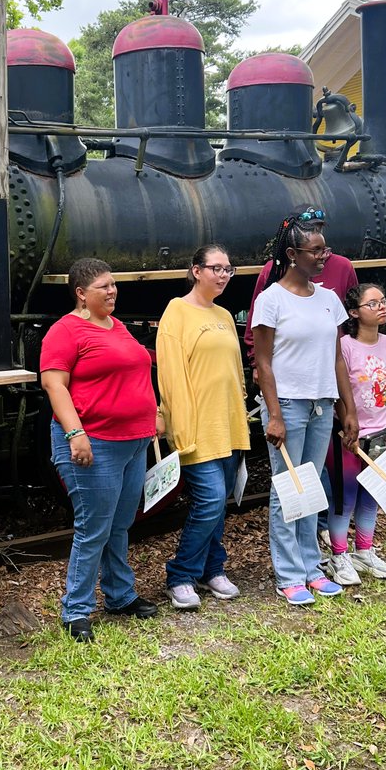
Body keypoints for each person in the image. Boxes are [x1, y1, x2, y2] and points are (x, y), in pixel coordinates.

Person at [40, 258, 162, 642]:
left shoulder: (117, 326)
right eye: (103, 287)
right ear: (81, 293)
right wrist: (75, 433)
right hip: (95, 444)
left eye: (113, 284)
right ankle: (76, 610)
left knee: (119, 525)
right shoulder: (64, 331)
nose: (112, 291)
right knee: (93, 529)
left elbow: (135, 372)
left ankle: (120, 596)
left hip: (133, 442)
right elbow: (54, 385)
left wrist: (154, 413)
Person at [252, 215, 359, 605]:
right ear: (293, 254)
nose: (323, 256)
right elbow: (263, 362)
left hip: (321, 405)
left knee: (310, 487)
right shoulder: (271, 299)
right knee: (287, 489)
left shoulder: (329, 299)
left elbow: (337, 359)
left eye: (325, 249)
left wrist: (348, 409)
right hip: (287, 406)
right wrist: (275, 415)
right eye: (315, 250)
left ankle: (312, 568)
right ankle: (289, 574)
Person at [156, 244, 251, 610]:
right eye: (216, 268)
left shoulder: (224, 314)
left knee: (220, 503)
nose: (224, 275)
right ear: (196, 271)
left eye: (228, 269)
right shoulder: (176, 312)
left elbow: (235, 372)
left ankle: (213, 569)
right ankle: (180, 575)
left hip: (227, 423)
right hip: (197, 427)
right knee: (210, 501)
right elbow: (171, 375)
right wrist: (180, 429)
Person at [325, 283, 386, 585]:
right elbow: (337, 388)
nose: (381, 307)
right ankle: (338, 555)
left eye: (383, 301)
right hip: (348, 437)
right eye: (372, 303)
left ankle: (364, 550)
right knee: (345, 498)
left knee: (372, 496)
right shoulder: (345, 346)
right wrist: (346, 423)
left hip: (380, 436)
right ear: (353, 312)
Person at [243, 207, 358, 371]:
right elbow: (256, 321)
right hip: (288, 364)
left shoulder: (343, 267)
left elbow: (354, 316)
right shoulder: (273, 271)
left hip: (329, 363)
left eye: (318, 227)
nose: (315, 231)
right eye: (309, 228)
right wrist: (256, 362)